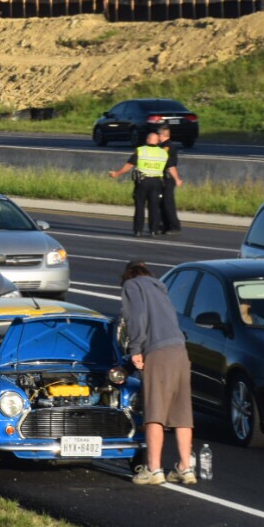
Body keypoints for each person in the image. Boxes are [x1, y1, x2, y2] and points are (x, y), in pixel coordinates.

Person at [120, 261, 195, 485]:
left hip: (158, 353)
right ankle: (186, 467)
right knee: (182, 414)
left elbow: (137, 318)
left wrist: (135, 350)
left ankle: (153, 469)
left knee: (155, 412)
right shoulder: (160, 289)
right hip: (180, 351)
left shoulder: (132, 286)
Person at [109, 131, 169, 237]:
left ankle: (138, 231)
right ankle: (153, 231)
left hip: (143, 181)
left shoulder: (141, 150)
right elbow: (169, 167)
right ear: (157, 141)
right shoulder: (163, 153)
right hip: (157, 182)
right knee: (154, 207)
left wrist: (117, 174)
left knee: (140, 206)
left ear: (147, 140)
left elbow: (129, 165)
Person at [156, 127, 185, 234]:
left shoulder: (167, 147)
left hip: (168, 178)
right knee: (161, 202)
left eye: (158, 135)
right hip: (162, 177)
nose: (157, 137)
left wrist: (177, 179)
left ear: (162, 135)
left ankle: (174, 226)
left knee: (168, 203)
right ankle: (165, 225)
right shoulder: (162, 146)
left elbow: (170, 166)